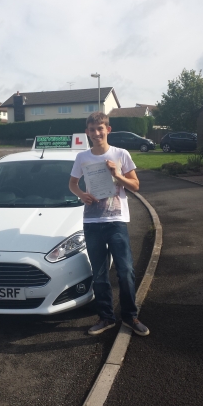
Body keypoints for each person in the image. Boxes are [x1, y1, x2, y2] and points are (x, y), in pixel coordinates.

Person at [69, 112, 150, 337]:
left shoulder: (121, 154)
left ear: (108, 129)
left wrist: (116, 174)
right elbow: (72, 183)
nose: (96, 133)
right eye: (92, 129)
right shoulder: (82, 157)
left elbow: (135, 186)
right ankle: (106, 317)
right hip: (92, 222)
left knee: (125, 271)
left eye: (100, 128)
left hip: (116, 222)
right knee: (100, 274)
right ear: (87, 132)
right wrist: (81, 195)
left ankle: (130, 316)